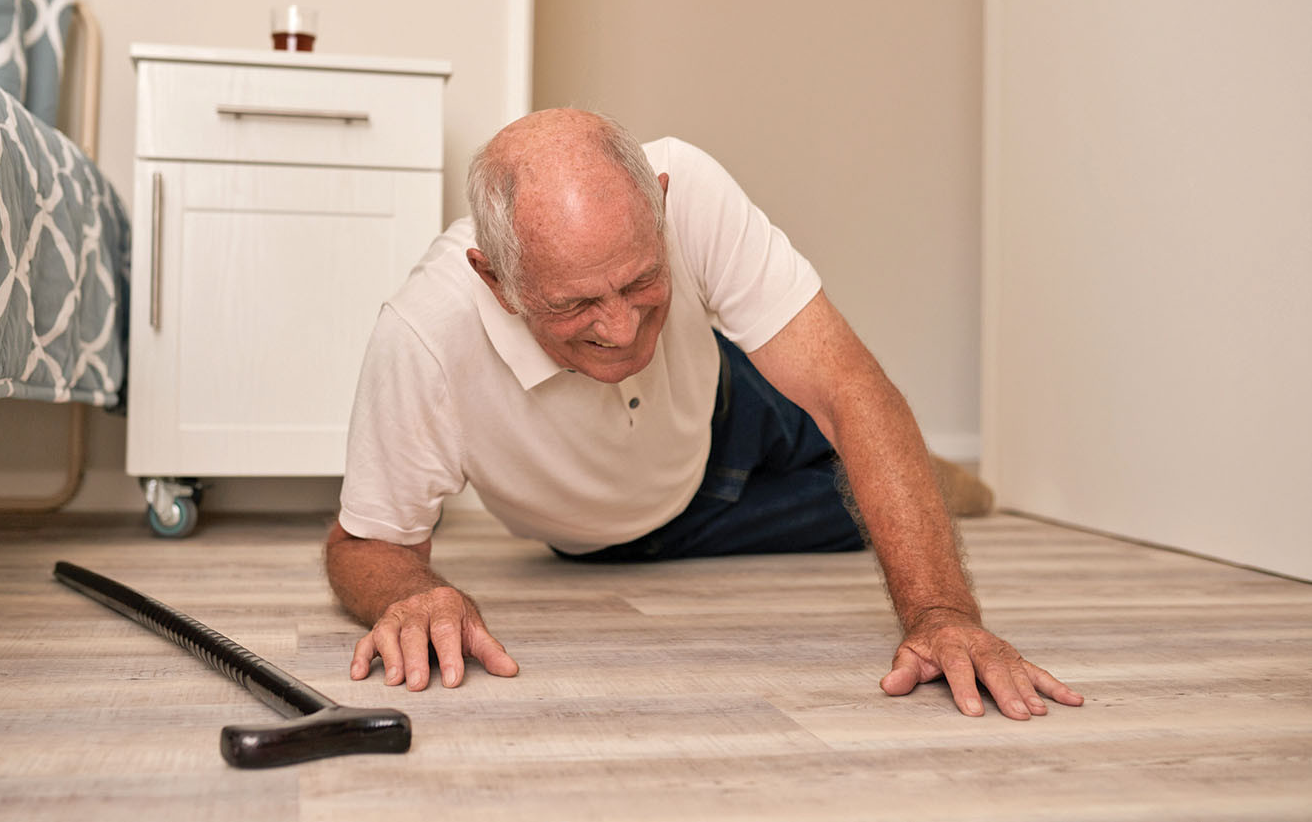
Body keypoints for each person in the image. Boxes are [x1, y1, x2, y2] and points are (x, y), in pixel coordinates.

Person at [325, 108, 1083, 721]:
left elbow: (850, 388)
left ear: (659, 203)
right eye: (576, 304)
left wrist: (943, 611)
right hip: (640, 534)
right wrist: (408, 593)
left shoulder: (689, 184)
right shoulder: (422, 336)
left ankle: (925, 476)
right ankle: (931, 484)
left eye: (641, 281)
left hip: (733, 400)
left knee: (854, 436)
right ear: (494, 280)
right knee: (856, 510)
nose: (622, 331)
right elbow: (367, 541)